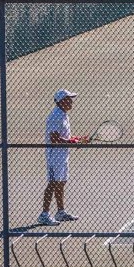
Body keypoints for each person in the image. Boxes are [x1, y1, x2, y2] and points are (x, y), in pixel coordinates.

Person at [39, 90, 89, 226]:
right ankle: (44, 214)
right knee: (53, 183)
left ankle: (60, 212)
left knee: (61, 183)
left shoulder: (63, 115)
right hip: (55, 156)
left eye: (71, 99)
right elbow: (54, 139)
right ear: (61, 101)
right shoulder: (56, 116)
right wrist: (73, 143)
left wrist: (78, 139)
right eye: (69, 99)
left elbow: (64, 137)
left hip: (62, 155)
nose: (71, 101)